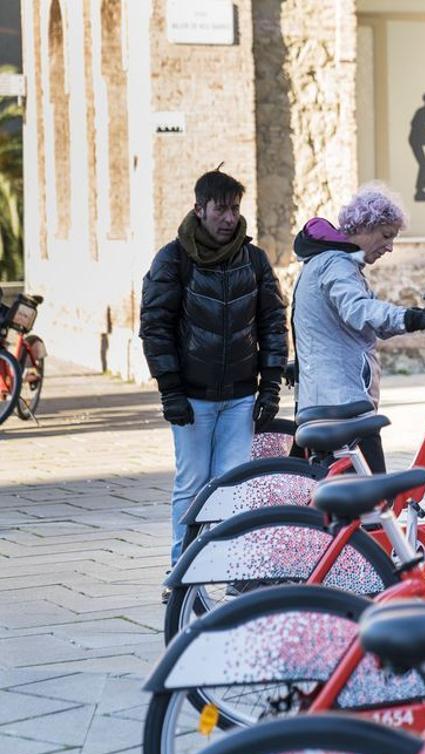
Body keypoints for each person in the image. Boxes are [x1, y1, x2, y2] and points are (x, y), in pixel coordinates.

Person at [139, 169, 288, 595]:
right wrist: (169, 389)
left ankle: (237, 572)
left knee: (234, 486)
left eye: (235, 208)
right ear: (199, 209)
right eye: (220, 208)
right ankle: (183, 573)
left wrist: (271, 385)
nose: (228, 217)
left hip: (241, 396)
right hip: (192, 398)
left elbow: (273, 323)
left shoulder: (253, 260)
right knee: (192, 484)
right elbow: (156, 326)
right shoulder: (172, 259)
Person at [291, 184, 425, 473]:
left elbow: (368, 318)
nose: (390, 246)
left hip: (332, 397)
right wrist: (416, 319)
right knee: (376, 499)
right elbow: (360, 311)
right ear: (365, 227)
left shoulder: (328, 262)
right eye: (386, 235)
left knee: (355, 499)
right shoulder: (335, 264)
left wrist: (418, 315)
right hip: (341, 404)